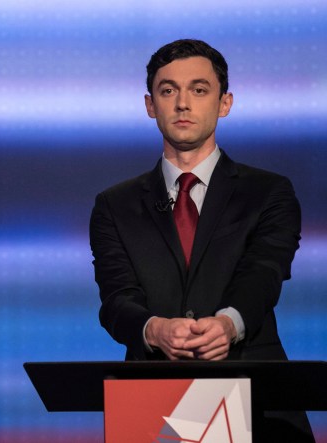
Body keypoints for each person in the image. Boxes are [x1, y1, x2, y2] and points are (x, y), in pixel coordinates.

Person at [90, 39, 313, 440]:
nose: (182, 104)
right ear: (149, 105)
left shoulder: (268, 192)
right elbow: (115, 300)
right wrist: (154, 329)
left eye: (198, 89)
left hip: (256, 396)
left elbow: (265, 273)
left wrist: (229, 324)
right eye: (168, 90)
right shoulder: (115, 205)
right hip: (151, 406)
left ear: (224, 103)